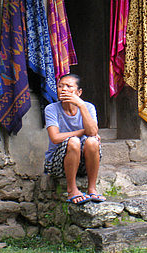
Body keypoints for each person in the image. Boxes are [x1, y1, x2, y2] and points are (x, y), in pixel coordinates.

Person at [44, 74, 105, 204]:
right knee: (74, 141)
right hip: (58, 164)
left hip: (82, 163)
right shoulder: (51, 109)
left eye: (68, 86)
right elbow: (55, 138)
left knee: (92, 142)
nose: (63, 89)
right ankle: (72, 189)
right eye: (60, 86)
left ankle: (92, 189)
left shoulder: (88, 107)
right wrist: (83, 131)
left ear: (79, 92)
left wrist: (81, 106)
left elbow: (93, 132)